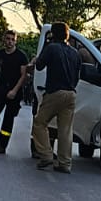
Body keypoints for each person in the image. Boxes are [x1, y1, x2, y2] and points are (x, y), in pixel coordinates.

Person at [31, 22, 81, 172]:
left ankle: (46, 154)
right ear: (67, 35)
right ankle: (65, 163)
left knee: (39, 123)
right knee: (65, 130)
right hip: (71, 94)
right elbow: (78, 76)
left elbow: (39, 65)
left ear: (52, 34)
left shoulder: (52, 48)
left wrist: (38, 56)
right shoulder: (75, 53)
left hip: (55, 91)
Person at [0, 30, 30, 155]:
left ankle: (2, 146)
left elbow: (24, 75)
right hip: (1, 88)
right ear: (4, 39)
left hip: (14, 90)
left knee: (8, 119)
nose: (10, 42)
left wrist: (14, 90)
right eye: (8, 39)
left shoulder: (21, 56)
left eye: (12, 39)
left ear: (16, 41)